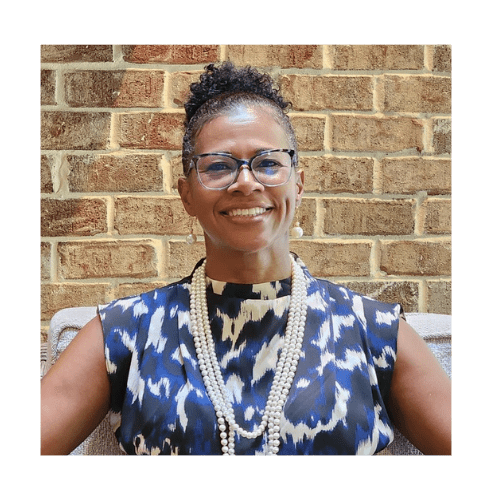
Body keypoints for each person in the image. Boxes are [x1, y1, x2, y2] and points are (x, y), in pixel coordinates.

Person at [40, 62, 452, 456]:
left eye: (268, 163)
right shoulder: (125, 332)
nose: (246, 182)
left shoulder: (373, 331)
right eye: (218, 166)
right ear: (187, 194)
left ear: (298, 184)